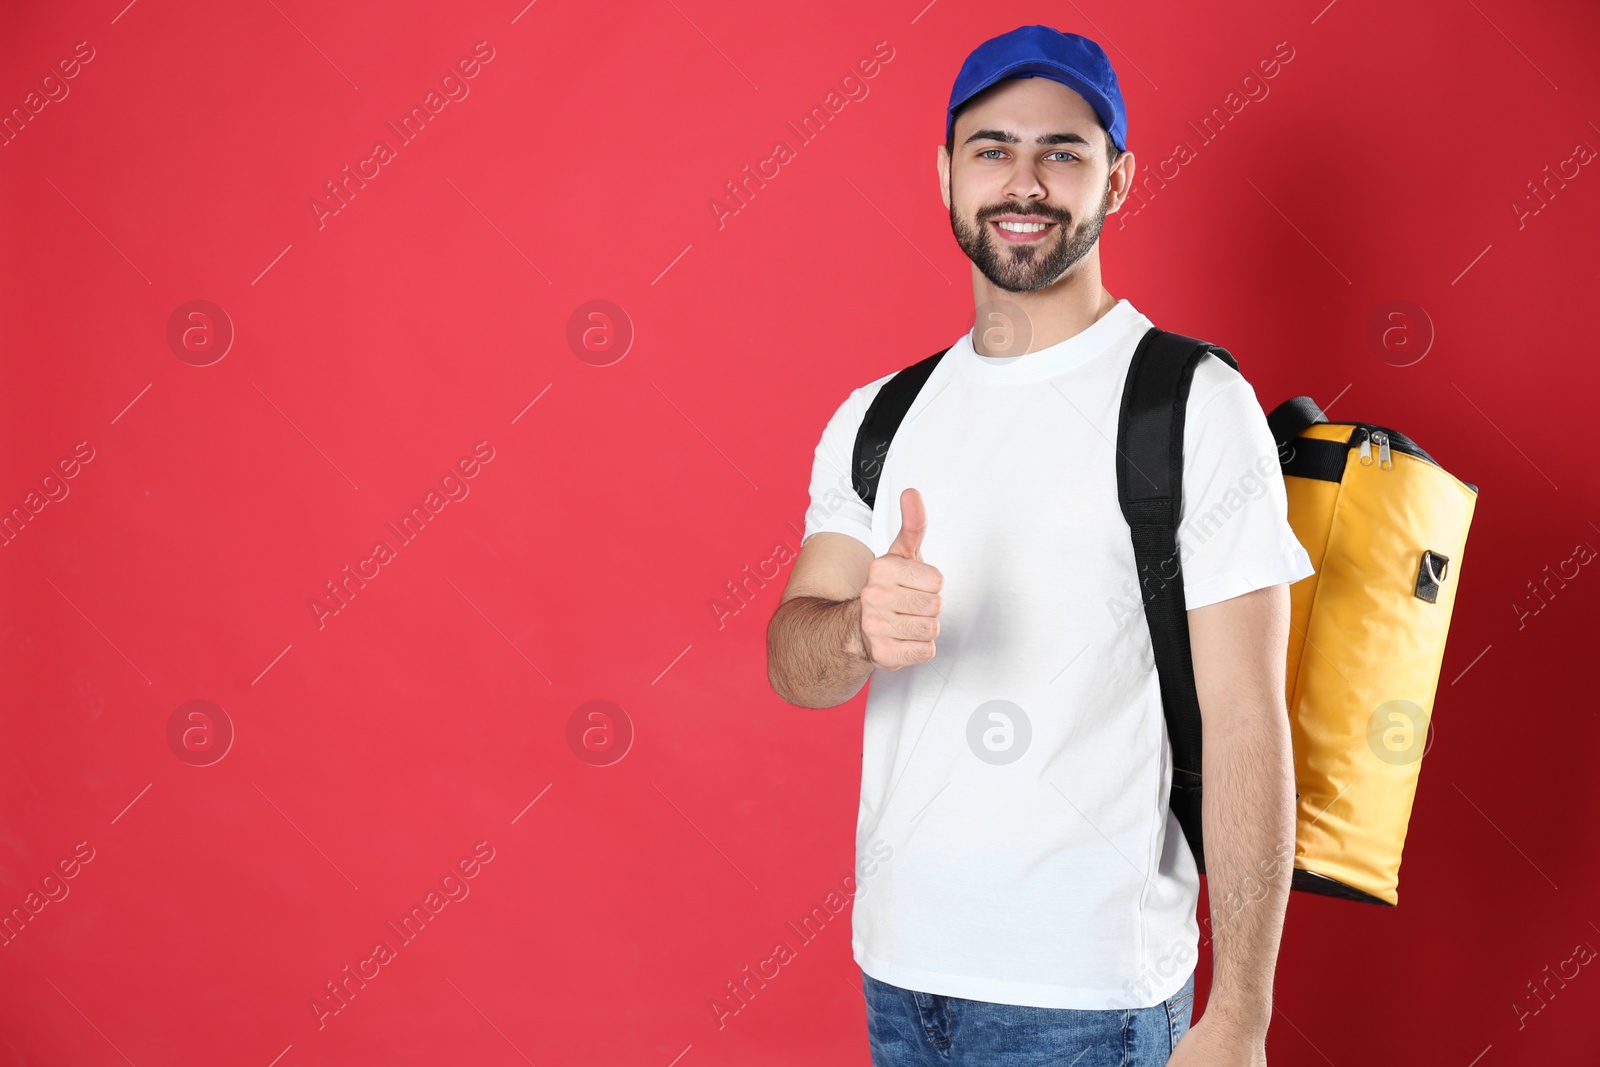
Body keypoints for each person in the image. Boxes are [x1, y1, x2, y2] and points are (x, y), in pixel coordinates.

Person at [765, 24, 1315, 1067]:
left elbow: (1250, 721)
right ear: (944, 174)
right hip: (900, 976)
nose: (1025, 181)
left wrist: (1240, 1010)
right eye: (992, 148)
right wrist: (856, 631)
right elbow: (796, 664)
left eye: (1063, 150)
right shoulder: (878, 416)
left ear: (1118, 178)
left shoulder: (1192, 403)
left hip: (1092, 999)